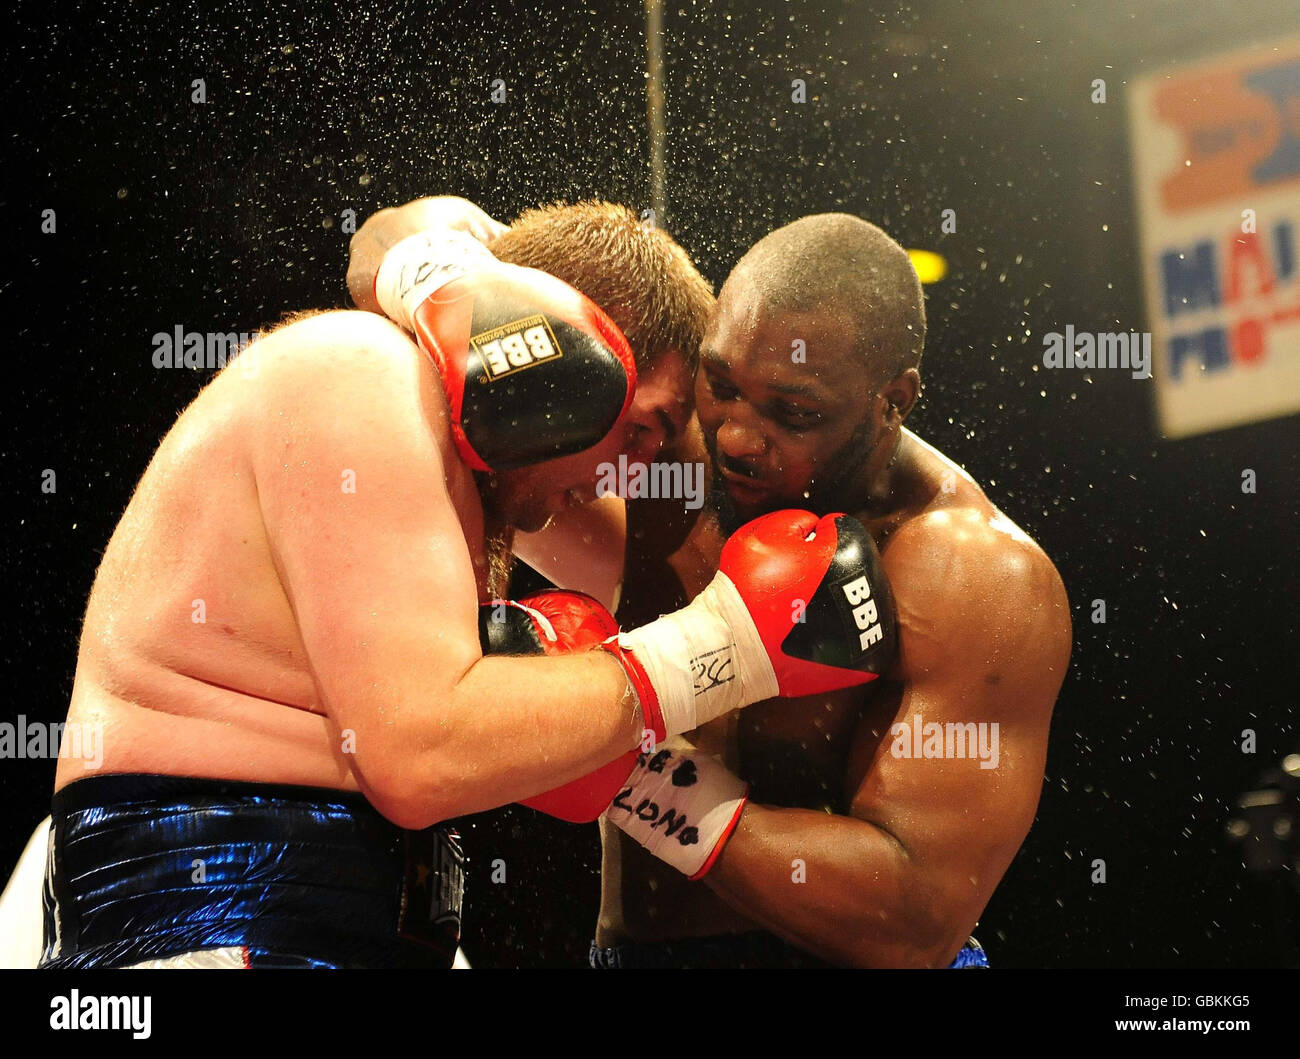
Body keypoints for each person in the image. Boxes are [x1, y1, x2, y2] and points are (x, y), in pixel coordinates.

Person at [37, 197, 889, 970]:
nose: (627, 479)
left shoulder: (461, 484)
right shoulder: (361, 370)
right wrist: (721, 649)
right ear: (560, 357)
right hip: (214, 897)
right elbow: (419, 752)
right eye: (636, 431)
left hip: (354, 910)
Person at [515, 213, 1073, 968]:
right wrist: (424, 269)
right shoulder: (665, 442)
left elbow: (915, 916)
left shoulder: (970, 574)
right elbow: (400, 243)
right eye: (724, 387)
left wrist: (617, 759)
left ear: (893, 399)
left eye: (796, 412)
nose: (739, 437)